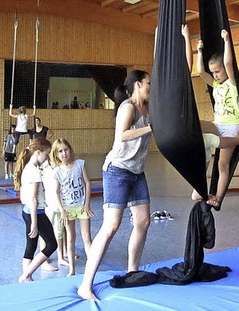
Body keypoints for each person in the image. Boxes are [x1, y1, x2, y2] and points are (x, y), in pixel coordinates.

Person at [78, 70, 152, 300]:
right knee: (111, 226)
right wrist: (151, 128)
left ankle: (132, 271)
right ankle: (85, 284)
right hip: (118, 170)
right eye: (149, 83)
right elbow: (122, 135)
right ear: (138, 85)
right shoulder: (128, 107)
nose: (152, 86)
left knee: (143, 221)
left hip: (136, 171)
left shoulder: (149, 108)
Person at [195, 29, 239, 207]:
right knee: (195, 126)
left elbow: (229, 62)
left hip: (231, 127)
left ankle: (218, 197)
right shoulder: (215, 84)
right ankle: (198, 178)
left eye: (217, 71)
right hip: (218, 124)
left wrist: (226, 40)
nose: (215, 75)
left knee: (223, 165)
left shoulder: (233, 85)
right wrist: (199, 52)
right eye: (213, 72)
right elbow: (200, 71)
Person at [13, 138, 58, 282]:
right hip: (36, 213)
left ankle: (28, 276)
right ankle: (26, 275)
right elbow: (33, 199)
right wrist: (34, 222)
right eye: (46, 154)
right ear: (38, 152)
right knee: (52, 244)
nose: (47, 158)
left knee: (31, 246)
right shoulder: (34, 171)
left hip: (27, 211)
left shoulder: (28, 167)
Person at [48, 138, 93, 277]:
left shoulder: (79, 164)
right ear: (56, 155)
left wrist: (86, 205)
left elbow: (87, 183)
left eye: (65, 150)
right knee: (71, 238)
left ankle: (92, 266)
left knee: (86, 237)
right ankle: (72, 270)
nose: (64, 153)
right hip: (68, 209)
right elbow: (56, 191)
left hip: (81, 206)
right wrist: (62, 210)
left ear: (70, 150)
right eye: (60, 151)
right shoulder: (57, 171)